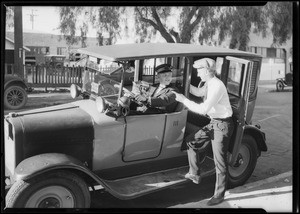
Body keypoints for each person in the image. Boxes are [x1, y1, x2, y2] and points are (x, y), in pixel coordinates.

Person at [173, 58, 234, 206]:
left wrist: (183, 100)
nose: (198, 74)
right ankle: (195, 173)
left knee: (220, 163)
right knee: (191, 141)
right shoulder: (209, 83)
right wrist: (180, 83)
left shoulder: (217, 86)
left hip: (222, 125)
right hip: (215, 123)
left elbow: (203, 109)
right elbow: (198, 91)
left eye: (199, 71)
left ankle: (219, 195)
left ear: (207, 71)